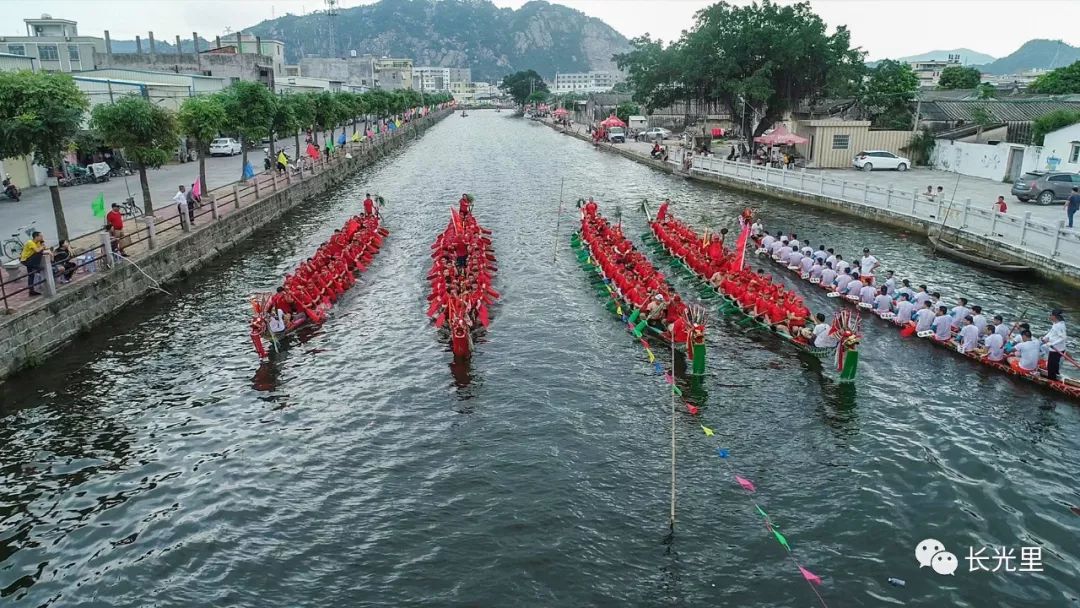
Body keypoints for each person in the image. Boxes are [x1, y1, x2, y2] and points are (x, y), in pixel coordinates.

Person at [1042, 309, 1067, 381]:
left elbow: (1063, 337)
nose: (1049, 316)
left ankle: (1051, 380)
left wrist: (1052, 344)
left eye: (1051, 315)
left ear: (1054, 316)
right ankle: (1056, 375)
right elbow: (1051, 332)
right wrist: (1045, 337)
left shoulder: (1059, 326)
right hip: (1058, 349)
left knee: (1051, 367)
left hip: (1056, 349)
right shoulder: (1056, 323)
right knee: (1055, 365)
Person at [20, 230, 47, 296]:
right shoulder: (30, 242)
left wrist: (42, 244)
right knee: (39, 253)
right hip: (25, 260)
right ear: (36, 237)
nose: (42, 237)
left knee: (31, 275)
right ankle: (36, 266)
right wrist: (42, 247)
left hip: (30, 259)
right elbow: (37, 251)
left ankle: (31, 291)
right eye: (41, 236)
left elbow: (44, 248)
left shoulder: (38, 242)